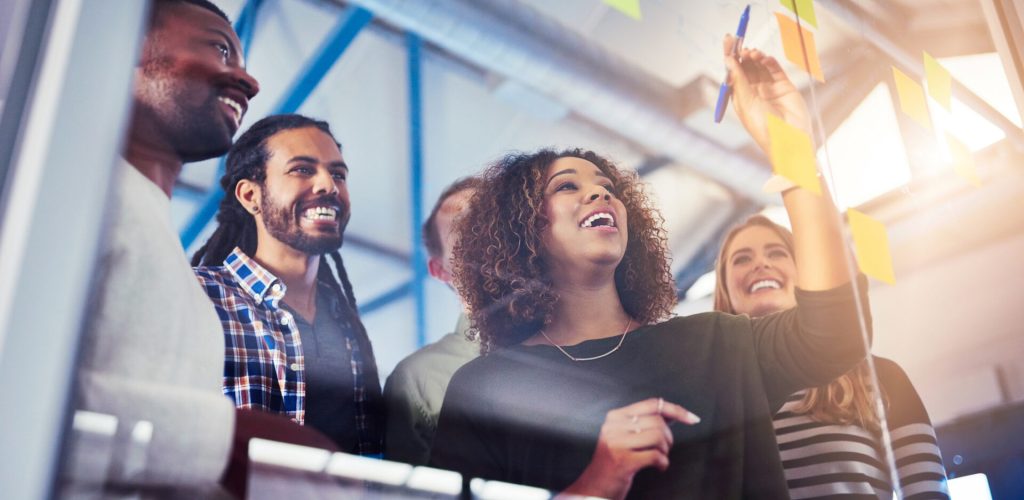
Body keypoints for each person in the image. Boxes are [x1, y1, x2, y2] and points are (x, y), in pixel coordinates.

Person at [428, 36, 870, 499]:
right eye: (566, 187)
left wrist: (792, 148)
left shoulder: (720, 343)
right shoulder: (484, 389)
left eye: (606, 187)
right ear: (523, 229)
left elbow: (837, 332)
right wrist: (595, 483)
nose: (600, 194)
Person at [73, 0, 270, 495]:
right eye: (221, 50)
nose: (249, 82)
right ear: (128, 47)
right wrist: (226, 443)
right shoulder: (54, 198)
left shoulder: (161, 248)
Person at [713, 214, 949, 499]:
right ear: (725, 289)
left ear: (805, 273)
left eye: (777, 253)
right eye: (741, 259)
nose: (761, 264)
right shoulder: (711, 396)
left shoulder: (880, 377)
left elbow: (927, 492)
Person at [192, 113, 384, 456]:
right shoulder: (198, 298)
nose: (329, 185)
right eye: (302, 169)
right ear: (250, 195)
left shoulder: (348, 324)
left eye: (338, 174)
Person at [383, 176, 483, 465]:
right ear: (439, 270)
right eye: (463, 229)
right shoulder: (417, 380)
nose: (484, 234)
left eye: (493, 219)